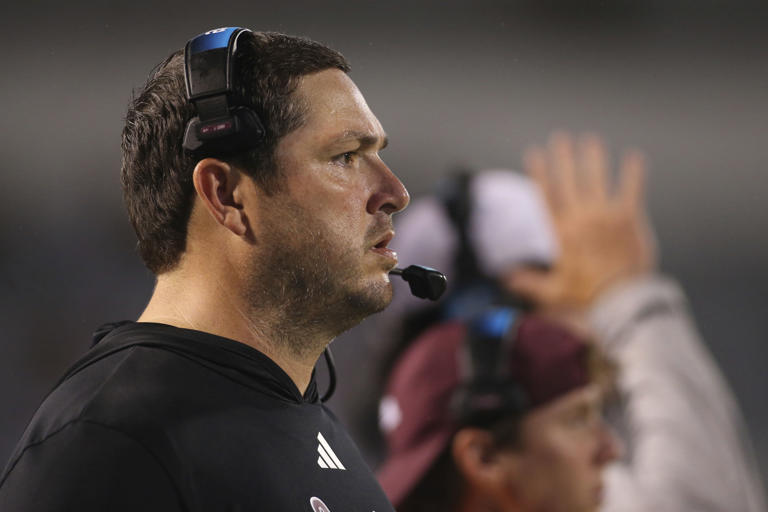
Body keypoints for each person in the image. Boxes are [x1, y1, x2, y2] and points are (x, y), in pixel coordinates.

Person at [0, 28, 408, 511]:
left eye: (377, 154)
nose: (395, 192)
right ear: (226, 195)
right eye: (345, 157)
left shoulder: (308, 420)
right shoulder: (108, 443)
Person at [374, 133, 767, 511]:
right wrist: (629, 298)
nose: (582, 313)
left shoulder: (382, 464)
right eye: (563, 288)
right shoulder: (549, 466)